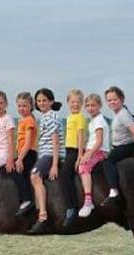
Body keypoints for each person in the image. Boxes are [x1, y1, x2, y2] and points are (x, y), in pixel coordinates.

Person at [28, 88, 65, 234]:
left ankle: (43, 216)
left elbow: (55, 140)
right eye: (39, 101)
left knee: (35, 176)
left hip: (50, 154)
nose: (41, 103)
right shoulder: (44, 117)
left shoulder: (52, 116)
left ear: (51, 101)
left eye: (44, 100)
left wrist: (55, 164)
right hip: (44, 154)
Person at [101, 86, 134, 207]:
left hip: (125, 147)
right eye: (109, 100)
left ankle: (113, 191)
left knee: (107, 161)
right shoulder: (120, 113)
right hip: (119, 147)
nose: (112, 102)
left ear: (122, 99)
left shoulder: (122, 115)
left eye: (114, 99)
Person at [78, 93, 110, 217]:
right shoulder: (93, 121)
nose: (90, 108)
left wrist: (89, 154)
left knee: (83, 167)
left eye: (93, 105)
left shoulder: (99, 121)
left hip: (99, 151)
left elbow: (99, 140)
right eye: (88, 106)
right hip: (93, 149)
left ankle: (88, 201)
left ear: (100, 106)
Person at [61, 89, 87, 227]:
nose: (75, 104)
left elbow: (81, 136)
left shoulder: (80, 117)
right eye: (72, 102)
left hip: (76, 150)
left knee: (65, 176)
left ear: (81, 104)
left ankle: (72, 207)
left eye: (78, 102)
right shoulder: (70, 117)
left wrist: (80, 156)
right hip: (68, 149)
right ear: (68, 103)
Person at [13, 92, 38, 216]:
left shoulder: (29, 120)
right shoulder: (22, 120)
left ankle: (27, 199)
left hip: (29, 153)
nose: (21, 109)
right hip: (23, 153)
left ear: (30, 106)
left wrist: (20, 159)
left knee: (16, 171)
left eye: (24, 106)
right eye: (19, 106)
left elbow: (28, 143)